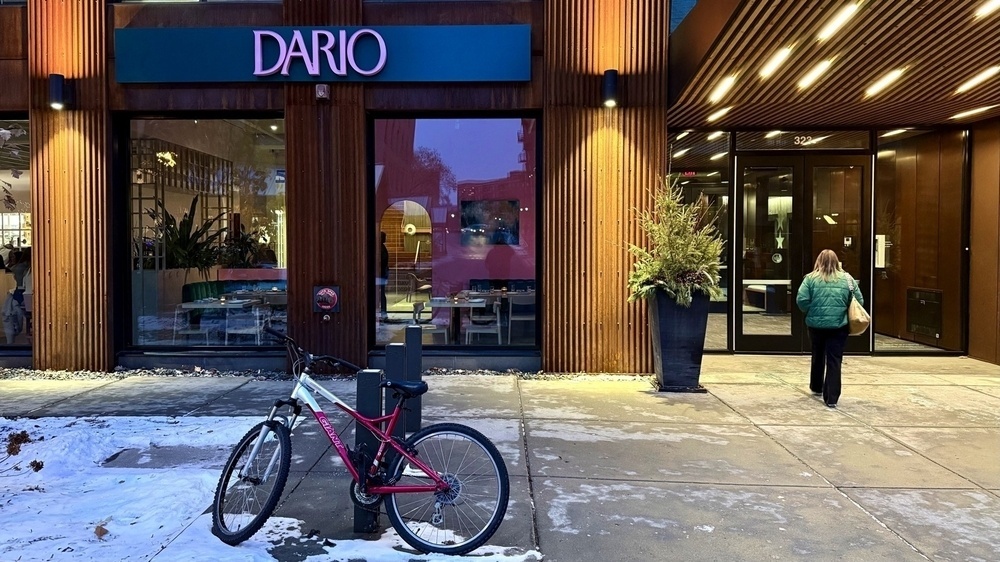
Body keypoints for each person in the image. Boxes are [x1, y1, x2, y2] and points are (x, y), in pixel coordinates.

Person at [795, 249, 863, 408]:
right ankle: (831, 398)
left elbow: (801, 300)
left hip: (816, 326)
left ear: (818, 261)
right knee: (834, 360)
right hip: (839, 326)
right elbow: (859, 300)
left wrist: (812, 311)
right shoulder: (847, 279)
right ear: (836, 261)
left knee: (817, 354)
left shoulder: (810, 279)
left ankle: (816, 386)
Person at [377, 232, 389, 320]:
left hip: (381, 275)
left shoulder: (380, 249)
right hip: (382, 274)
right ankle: (383, 311)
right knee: (381, 293)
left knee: (380, 293)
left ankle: (383, 311)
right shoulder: (382, 248)